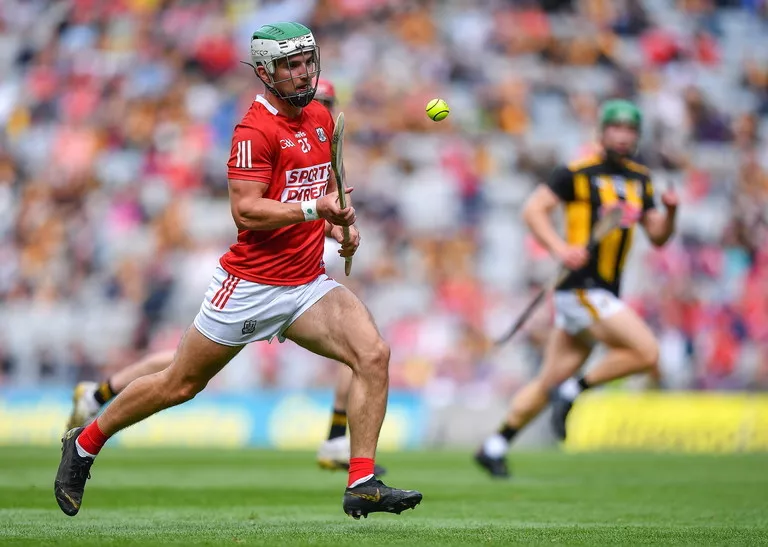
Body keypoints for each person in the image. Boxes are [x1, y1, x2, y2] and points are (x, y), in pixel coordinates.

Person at [54, 22, 421, 519]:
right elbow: (247, 211)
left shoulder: (319, 117)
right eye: (291, 65)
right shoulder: (254, 130)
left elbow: (313, 197)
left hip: (306, 285)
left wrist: (337, 228)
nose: (303, 72)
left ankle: (361, 481)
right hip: (250, 285)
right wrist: (317, 210)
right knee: (178, 384)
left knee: (373, 354)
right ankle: (84, 443)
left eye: (308, 61)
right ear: (266, 72)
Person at [476, 99, 678, 478]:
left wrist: (671, 211)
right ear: (602, 132)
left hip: (604, 291)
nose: (623, 135)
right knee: (647, 353)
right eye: (615, 128)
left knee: (547, 380)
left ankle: (494, 445)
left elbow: (659, 237)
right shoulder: (577, 172)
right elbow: (533, 209)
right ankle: (574, 391)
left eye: (630, 129)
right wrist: (560, 248)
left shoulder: (640, 180)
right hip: (581, 287)